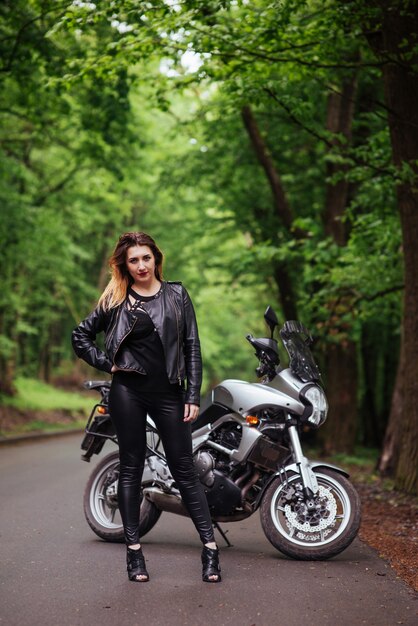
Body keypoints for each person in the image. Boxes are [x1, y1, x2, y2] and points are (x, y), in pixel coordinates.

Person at [72, 231, 221, 583]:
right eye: (133, 260)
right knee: (131, 469)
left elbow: (191, 347)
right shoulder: (116, 299)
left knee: (185, 471)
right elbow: (80, 336)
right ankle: (134, 555)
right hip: (129, 392)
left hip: (169, 393)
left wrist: (192, 395)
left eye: (146, 258)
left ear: (156, 258)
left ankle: (210, 551)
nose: (140, 266)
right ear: (125, 264)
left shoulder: (177, 295)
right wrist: (107, 364)